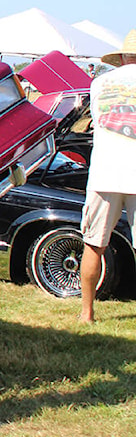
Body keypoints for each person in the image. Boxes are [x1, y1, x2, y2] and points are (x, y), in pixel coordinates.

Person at [79, 29, 136, 322]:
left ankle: (87, 313)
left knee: (94, 245)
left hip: (105, 173)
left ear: (124, 56)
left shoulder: (99, 83)